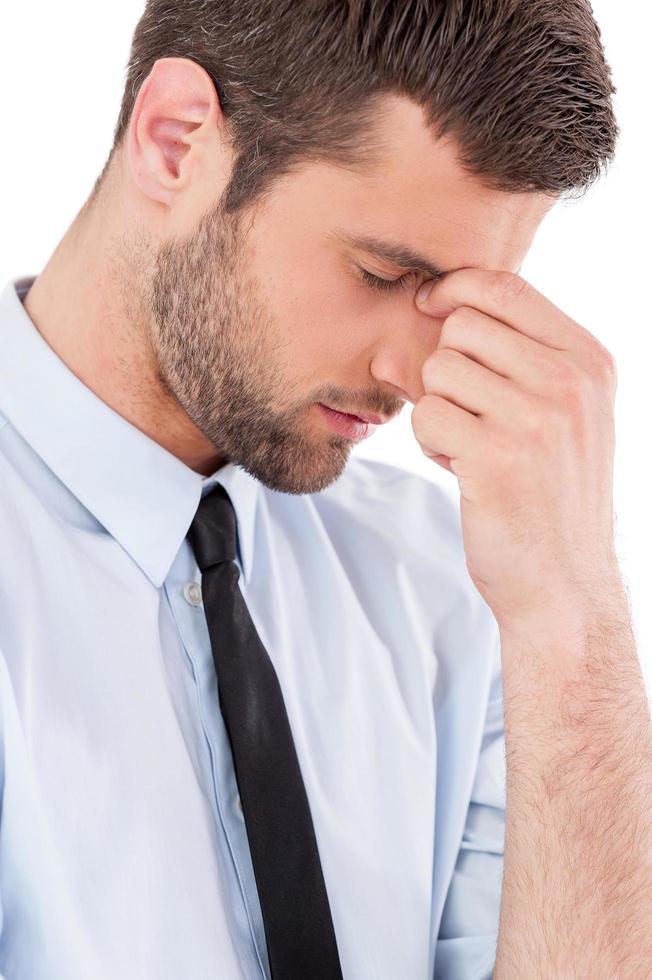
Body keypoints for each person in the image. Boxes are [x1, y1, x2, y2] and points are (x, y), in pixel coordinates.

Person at [3, 2, 650, 979]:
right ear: (176, 142)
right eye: (383, 272)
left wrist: (574, 612)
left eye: (467, 303)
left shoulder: (451, 590)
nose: (417, 370)